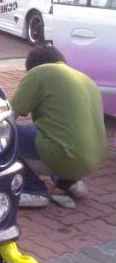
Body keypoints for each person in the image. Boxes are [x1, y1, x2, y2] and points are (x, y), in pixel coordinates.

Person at [11, 44, 108, 208]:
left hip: (65, 155)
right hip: (91, 160)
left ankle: (33, 189)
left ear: (32, 67)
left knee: (7, 134)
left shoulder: (39, 73)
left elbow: (9, 115)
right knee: (54, 133)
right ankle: (70, 183)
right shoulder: (85, 79)